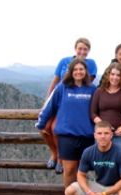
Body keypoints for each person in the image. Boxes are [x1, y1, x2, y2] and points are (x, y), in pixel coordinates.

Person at [36, 58, 96, 195]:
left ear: (86, 72)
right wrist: (41, 123)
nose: (78, 72)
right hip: (66, 135)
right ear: (71, 72)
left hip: (86, 136)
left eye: (81, 69)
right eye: (75, 69)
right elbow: (50, 106)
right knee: (69, 169)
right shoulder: (62, 88)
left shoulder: (92, 89)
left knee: (81, 170)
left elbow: (97, 110)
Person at [41, 38, 97, 174]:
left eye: (85, 49)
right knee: (45, 127)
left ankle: (61, 158)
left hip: (73, 103)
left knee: (55, 129)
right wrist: (47, 102)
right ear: (75, 48)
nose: (82, 51)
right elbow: (54, 83)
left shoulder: (91, 64)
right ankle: (54, 153)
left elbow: (85, 86)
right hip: (60, 98)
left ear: (88, 51)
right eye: (80, 48)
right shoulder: (64, 61)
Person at [91, 62, 121, 152]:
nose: (115, 77)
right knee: (100, 161)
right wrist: (105, 126)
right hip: (102, 135)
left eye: (118, 75)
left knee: (120, 161)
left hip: (119, 135)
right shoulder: (99, 91)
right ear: (108, 75)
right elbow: (93, 113)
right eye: (112, 74)